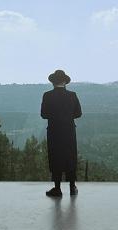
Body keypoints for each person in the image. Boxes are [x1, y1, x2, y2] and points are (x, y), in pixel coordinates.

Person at [41, 69, 82, 197]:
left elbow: (44, 114)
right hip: (69, 131)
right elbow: (78, 113)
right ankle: (72, 187)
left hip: (54, 131)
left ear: (53, 82)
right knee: (70, 157)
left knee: (55, 157)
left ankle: (57, 188)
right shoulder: (72, 95)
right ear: (65, 82)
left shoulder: (47, 95)